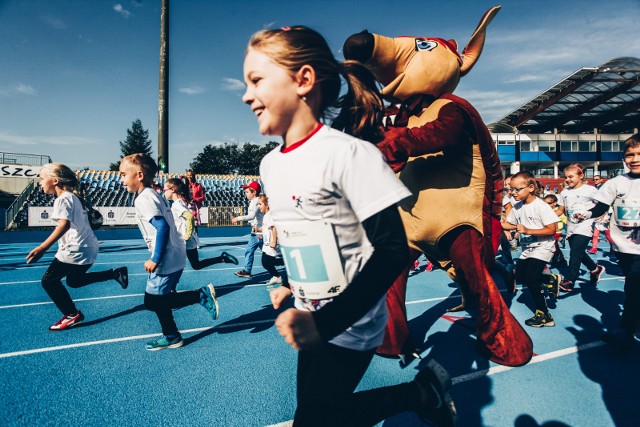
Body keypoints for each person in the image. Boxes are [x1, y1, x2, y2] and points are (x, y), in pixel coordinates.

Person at [243, 25, 456, 426]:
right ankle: (423, 393)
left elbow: (392, 250)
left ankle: (419, 392)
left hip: (351, 321)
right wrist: (291, 281)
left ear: (304, 80)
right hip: (312, 314)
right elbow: (304, 230)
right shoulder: (270, 164)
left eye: (257, 80)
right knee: (318, 415)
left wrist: (325, 321)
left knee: (313, 420)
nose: (247, 95)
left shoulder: (350, 155)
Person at [119, 153, 219, 351]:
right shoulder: (154, 194)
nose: (121, 180)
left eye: (123, 175)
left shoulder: (144, 199)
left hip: (165, 257)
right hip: (175, 253)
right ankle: (172, 335)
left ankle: (201, 295)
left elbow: (162, 227)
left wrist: (155, 258)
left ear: (139, 175)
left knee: (152, 301)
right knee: (161, 299)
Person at [26, 163, 128, 331]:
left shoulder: (63, 198)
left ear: (55, 180)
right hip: (88, 248)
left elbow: (64, 225)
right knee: (74, 281)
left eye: (42, 178)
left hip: (75, 249)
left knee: (48, 281)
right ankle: (114, 274)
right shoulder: (73, 197)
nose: (40, 182)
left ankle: (72, 315)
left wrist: (42, 248)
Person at [573, 133, 640, 349]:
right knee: (633, 285)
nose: (634, 159)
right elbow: (601, 207)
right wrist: (586, 214)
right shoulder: (617, 183)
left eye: (639, 154)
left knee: (634, 286)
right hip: (624, 246)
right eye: (630, 155)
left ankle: (626, 329)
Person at [503, 171, 560, 327]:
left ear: (531, 187)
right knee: (521, 276)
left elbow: (551, 229)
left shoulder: (541, 206)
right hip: (527, 248)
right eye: (510, 189)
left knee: (530, 278)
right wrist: (494, 223)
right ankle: (550, 279)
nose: (512, 193)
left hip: (543, 247)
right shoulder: (518, 207)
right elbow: (509, 224)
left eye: (516, 189)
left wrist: (528, 231)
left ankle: (544, 315)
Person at [163, 178, 238, 269]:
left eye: (165, 190)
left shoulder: (177, 204)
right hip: (186, 240)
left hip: (186, 241)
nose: (164, 193)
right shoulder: (179, 202)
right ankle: (222, 258)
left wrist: (187, 235)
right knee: (196, 265)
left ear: (172, 189)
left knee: (173, 263)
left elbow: (189, 217)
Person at [556, 163, 605, 292]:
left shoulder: (590, 190)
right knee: (578, 253)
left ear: (581, 175)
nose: (567, 180)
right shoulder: (565, 192)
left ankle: (570, 280)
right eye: (565, 177)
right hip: (571, 227)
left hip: (585, 226)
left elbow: (602, 206)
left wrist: (596, 216)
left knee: (575, 253)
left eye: (570, 176)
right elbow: (561, 209)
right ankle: (595, 269)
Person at [231, 180, 264, 278]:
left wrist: (238, 218)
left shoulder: (256, 202)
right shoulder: (253, 201)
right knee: (249, 251)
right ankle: (247, 271)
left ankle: (283, 265)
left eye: (247, 192)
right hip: (255, 232)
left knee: (269, 254)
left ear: (254, 192)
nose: (245, 194)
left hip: (260, 233)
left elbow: (251, 216)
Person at [256, 194, 287, 286]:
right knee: (266, 262)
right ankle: (277, 276)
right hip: (267, 244)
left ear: (267, 205)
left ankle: (286, 264)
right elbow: (266, 227)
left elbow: (274, 228)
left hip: (271, 243)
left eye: (260, 204)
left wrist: (274, 241)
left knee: (267, 262)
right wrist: (258, 229)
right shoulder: (266, 216)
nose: (259, 206)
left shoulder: (270, 215)